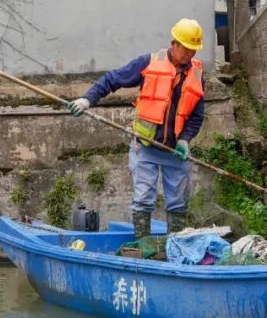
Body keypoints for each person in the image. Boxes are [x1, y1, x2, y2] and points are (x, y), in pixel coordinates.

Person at [65, 19, 205, 240]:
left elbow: (197, 115)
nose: (190, 55)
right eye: (186, 49)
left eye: (193, 50)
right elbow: (112, 79)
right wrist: (87, 100)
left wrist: (185, 139)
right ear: (174, 43)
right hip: (146, 147)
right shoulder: (148, 63)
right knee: (144, 198)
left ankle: (175, 245)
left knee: (178, 202)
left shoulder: (196, 75)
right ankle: (143, 243)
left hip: (175, 152)